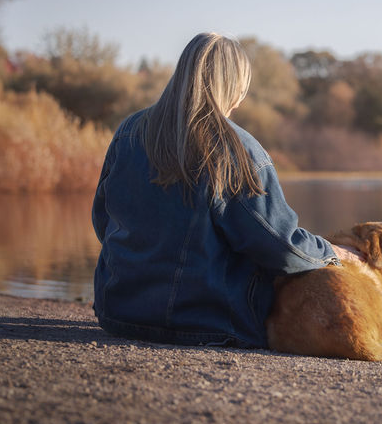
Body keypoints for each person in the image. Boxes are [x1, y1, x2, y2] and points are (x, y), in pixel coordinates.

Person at [91, 32, 339, 348]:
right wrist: (331, 252)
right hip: (208, 323)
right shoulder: (239, 150)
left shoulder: (128, 132)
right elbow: (282, 249)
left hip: (119, 315)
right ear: (235, 88)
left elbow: (103, 221)